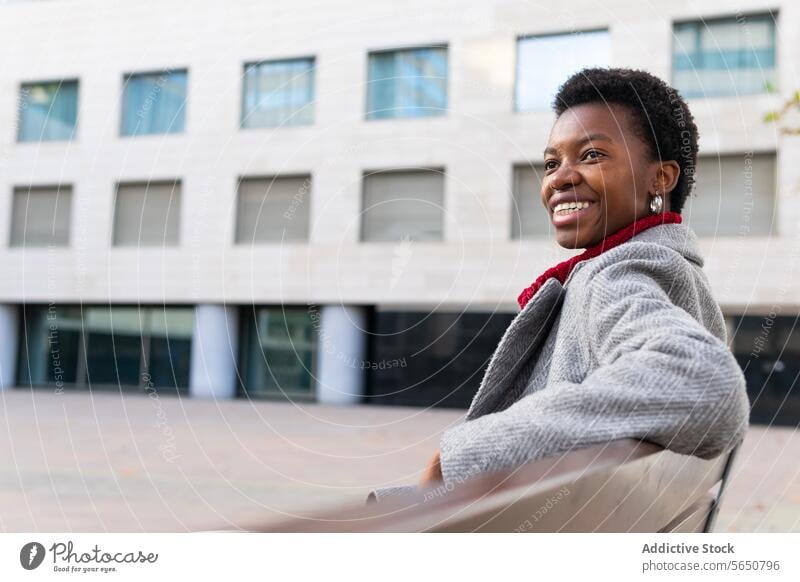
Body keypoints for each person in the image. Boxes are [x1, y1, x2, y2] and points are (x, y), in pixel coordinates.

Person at [366, 67, 751, 504]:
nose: (560, 178)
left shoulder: (617, 274)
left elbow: (703, 383)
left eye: (591, 156)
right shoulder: (672, 268)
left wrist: (463, 453)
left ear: (660, 178)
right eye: (552, 163)